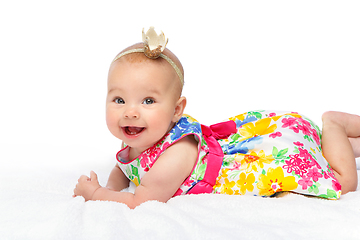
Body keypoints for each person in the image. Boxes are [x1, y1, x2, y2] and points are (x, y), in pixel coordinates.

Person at [73, 28, 360, 209]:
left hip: (261, 159)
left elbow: (140, 201)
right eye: (119, 100)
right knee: (319, 151)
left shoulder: (175, 154)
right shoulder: (140, 135)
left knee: (342, 182)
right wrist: (113, 187)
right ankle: (343, 145)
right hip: (264, 137)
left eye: (148, 101)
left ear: (176, 110)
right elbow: (125, 167)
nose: (130, 111)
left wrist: (97, 194)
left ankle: (335, 124)